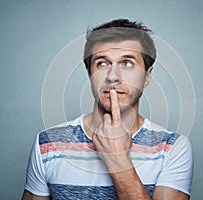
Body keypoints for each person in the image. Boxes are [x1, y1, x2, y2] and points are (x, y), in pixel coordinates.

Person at [22, 19, 193, 200]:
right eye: (102, 63)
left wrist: (118, 160)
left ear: (147, 76)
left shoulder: (173, 148)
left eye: (127, 63)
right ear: (89, 73)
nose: (113, 77)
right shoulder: (48, 143)